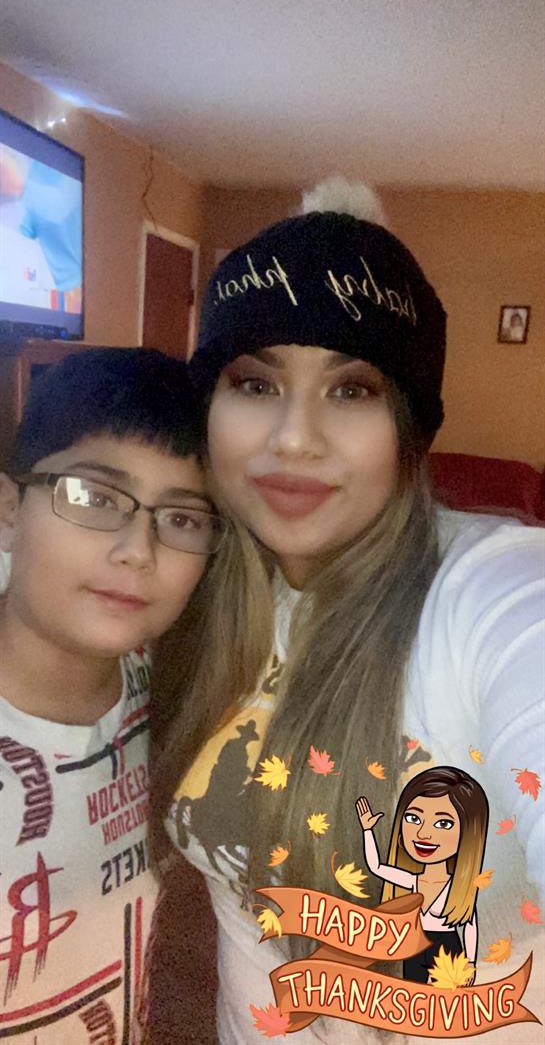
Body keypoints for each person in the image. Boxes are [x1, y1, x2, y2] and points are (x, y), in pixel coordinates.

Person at [152, 178, 545, 1044]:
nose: (294, 435)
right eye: (254, 383)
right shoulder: (175, 579)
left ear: (407, 427)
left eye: (352, 388)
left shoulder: (494, 589)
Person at [0, 348, 228, 1044]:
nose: (138, 548)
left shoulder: (168, 695)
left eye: (182, 518)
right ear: (9, 510)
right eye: (93, 497)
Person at [356, 766, 489, 984]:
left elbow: (470, 925)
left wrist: (471, 963)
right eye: (414, 818)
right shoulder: (412, 880)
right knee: (415, 1002)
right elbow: (376, 867)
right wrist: (367, 831)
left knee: (445, 1007)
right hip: (415, 946)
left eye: (443, 823)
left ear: (468, 832)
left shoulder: (460, 886)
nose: (424, 834)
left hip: (448, 946)